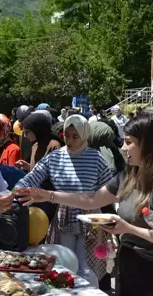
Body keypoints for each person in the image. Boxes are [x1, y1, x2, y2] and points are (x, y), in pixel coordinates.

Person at [16, 114, 153, 296]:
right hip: (129, 265)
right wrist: (48, 195)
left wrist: (127, 228)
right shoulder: (129, 175)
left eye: (128, 143)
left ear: (147, 144)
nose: (123, 148)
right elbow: (92, 200)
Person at [15, 115, 113, 285]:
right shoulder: (55, 157)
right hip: (64, 216)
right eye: (67, 136)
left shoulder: (96, 158)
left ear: (84, 136)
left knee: (86, 265)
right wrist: (16, 191)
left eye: (75, 136)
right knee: (66, 262)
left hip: (90, 218)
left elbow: (110, 188)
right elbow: (33, 176)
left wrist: (110, 217)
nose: (70, 140)